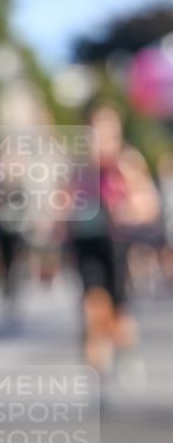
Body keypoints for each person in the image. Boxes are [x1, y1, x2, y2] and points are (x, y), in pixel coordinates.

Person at [69, 101, 160, 377]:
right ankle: (95, 366)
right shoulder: (80, 164)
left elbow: (149, 204)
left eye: (109, 130)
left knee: (119, 312)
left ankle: (124, 348)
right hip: (87, 242)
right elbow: (65, 199)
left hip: (117, 243)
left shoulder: (127, 162)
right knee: (93, 303)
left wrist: (127, 210)